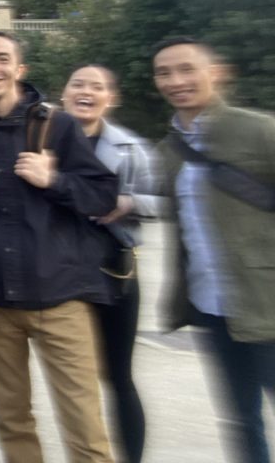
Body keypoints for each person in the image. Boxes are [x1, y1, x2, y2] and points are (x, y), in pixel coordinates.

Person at [0, 30, 118, 463]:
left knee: (84, 424)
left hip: (61, 298)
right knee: (13, 419)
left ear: (20, 69)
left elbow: (104, 196)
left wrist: (54, 181)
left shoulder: (59, 125)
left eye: (1, 59)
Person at [152, 37, 275, 463]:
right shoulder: (170, 148)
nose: (175, 81)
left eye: (187, 69)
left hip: (267, 300)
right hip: (213, 306)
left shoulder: (258, 130)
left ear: (216, 72)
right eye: (165, 73)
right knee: (242, 419)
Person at [61, 64, 162, 463]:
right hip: (60, 272)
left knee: (119, 375)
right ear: (65, 93)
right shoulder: (41, 140)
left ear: (111, 98)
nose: (86, 92)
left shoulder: (131, 147)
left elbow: (165, 200)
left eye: (96, 86)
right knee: (74, 380)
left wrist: (130, 203)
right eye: (78, 84)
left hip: (114, 270)